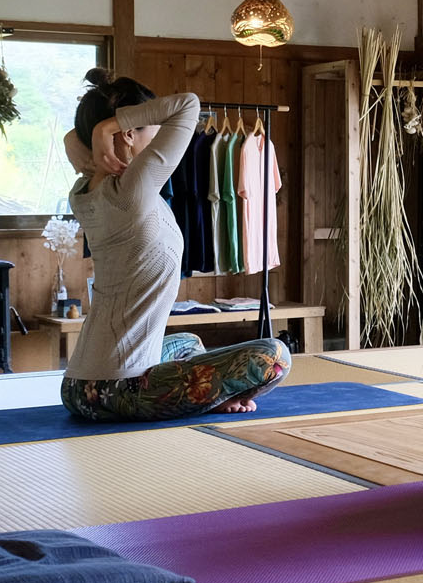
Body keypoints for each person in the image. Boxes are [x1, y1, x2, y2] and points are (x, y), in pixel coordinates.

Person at [60, 70, 290, 421]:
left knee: (189, 344)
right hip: (123, 390)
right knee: (274, 356)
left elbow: (70, 140)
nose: (158, 132)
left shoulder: (83, 192)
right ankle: (205, 398)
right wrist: (106, 128)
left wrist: (99, 131)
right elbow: (188, 105)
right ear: (129, 132)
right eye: (150, 123)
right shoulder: (135, 188)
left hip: (78, 387)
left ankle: (200, 395)